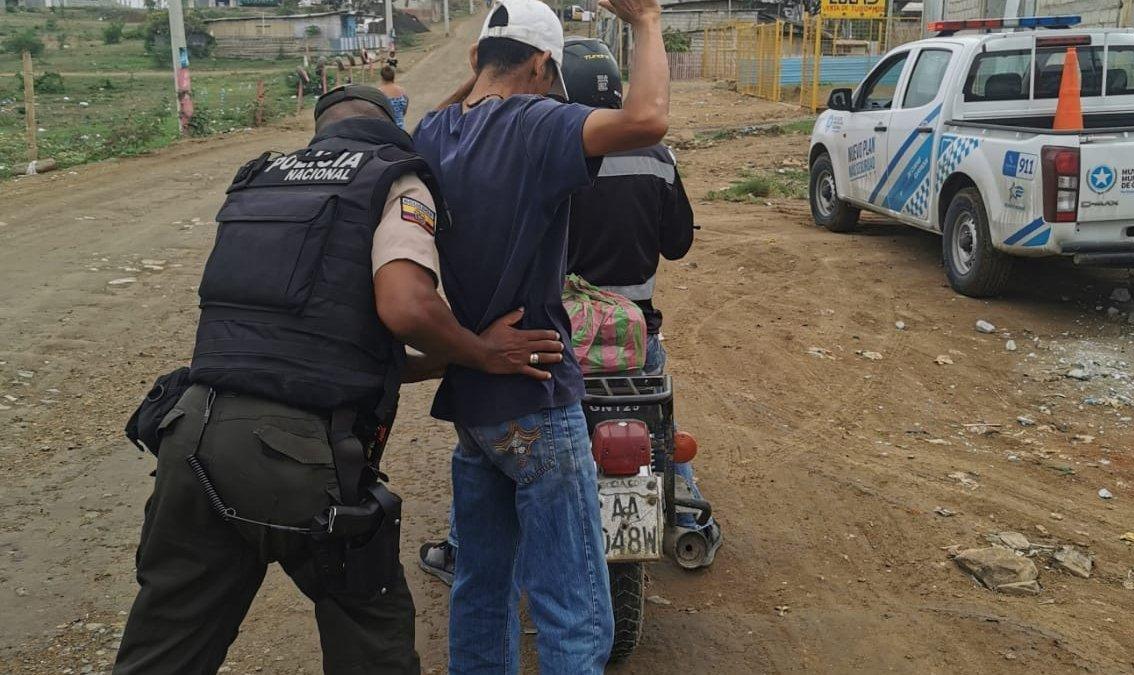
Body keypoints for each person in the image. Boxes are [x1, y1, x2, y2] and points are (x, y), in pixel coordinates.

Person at [112, 85, 566, 675]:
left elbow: (321, 351)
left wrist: (446, 360)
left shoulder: (261, 178)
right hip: (301, 459)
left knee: (164, 649)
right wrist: (480, 352)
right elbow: (406, 306)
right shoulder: (392, 179)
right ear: (390, 124)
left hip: (192, 436)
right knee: (370, 640)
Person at [410, 0, 670, 670]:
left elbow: (434, 113)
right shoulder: (537, 123)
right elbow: (646, 119)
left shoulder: (437, 133)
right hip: (537, 403)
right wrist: (645, 21)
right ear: (540, 65)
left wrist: (480, 73)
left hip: (475, 403)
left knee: (481, 588)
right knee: (573, 610)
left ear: (476, 60)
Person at [419, 36, 722, 590]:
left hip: (557, 342)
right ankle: (687, 506)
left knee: (493, 473)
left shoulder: (535, 147)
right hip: (633, 335)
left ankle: (462, 547)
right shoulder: (654, 158)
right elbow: (678, 244)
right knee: (661, 418)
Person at [378, 64, 410, 130]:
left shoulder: (379, 93)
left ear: (382, 77)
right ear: (393, 76)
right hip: (400, 130)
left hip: (386, 129)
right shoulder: (402, 91)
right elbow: (404, 112)